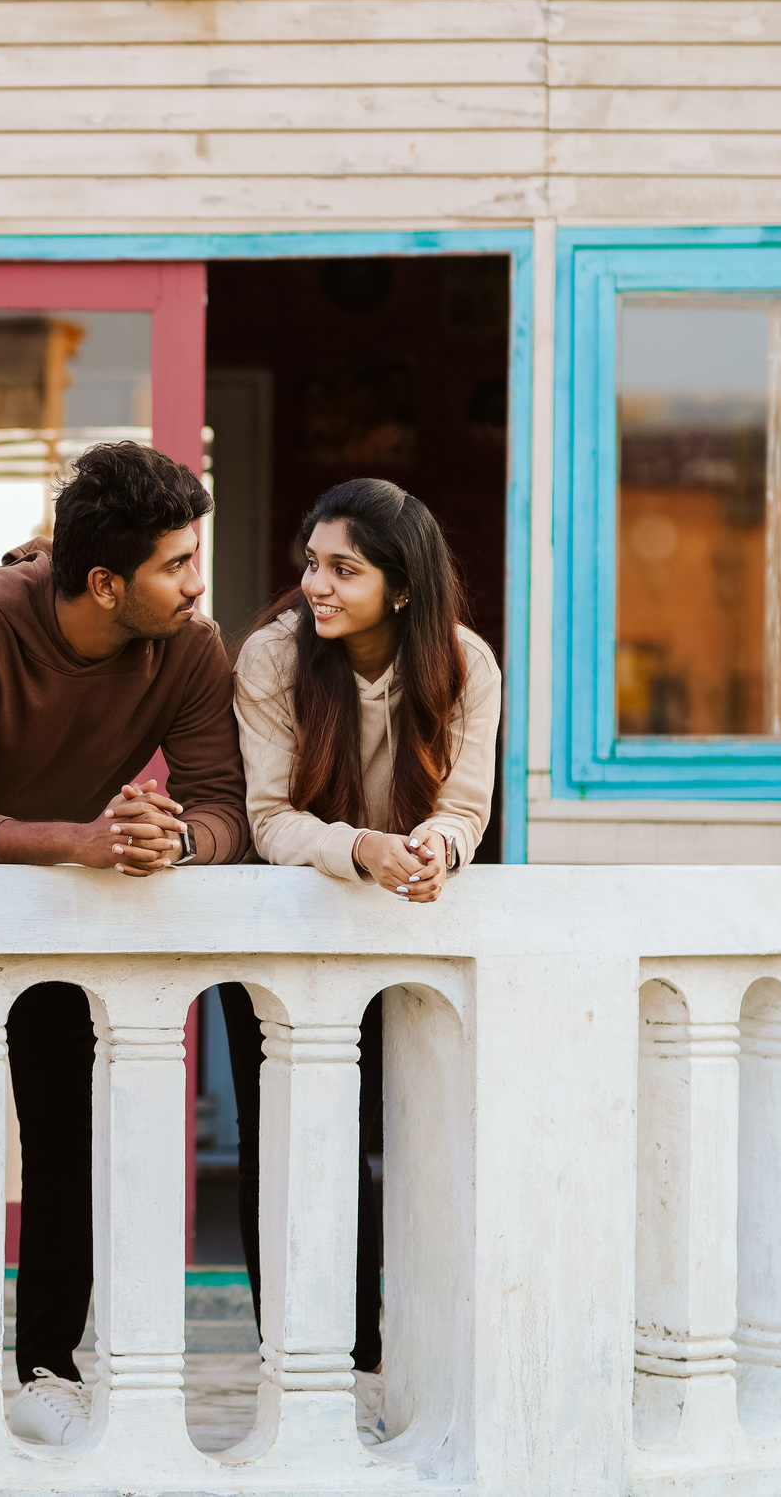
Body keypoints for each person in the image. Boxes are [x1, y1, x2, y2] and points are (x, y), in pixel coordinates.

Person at [0, 440, 251, 1446]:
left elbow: (225, 808)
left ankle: (47, 1370)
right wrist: (80, 840)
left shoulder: (189, 649)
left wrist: (176, 842)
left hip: (62, 872)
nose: (194, 583)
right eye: (175, 563)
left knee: (59, 1111)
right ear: (103, 582)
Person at [222, 476, 501, 1390]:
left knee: (400, 1139)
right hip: (285, 937)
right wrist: (363, 848)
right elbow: (268, 822)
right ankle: (296, 1356)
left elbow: (465, 809)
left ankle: (380, 1358)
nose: (317, 584)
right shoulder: (271, 659)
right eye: (312, 563)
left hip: (400, 934)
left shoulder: (465, 665)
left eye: (344, 567)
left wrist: (435, 846)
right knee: (290, 1145)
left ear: (403, 583)